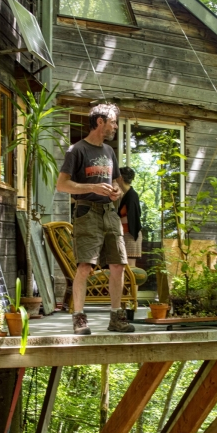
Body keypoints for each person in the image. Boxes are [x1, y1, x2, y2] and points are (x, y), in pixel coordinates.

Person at [56, 104, 135, 335]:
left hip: (109, 213)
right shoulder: (76, 150)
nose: (114, 126)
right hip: (86, 212)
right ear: (99, 121)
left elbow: (118, 185)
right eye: (112, 122)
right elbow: (62, 185)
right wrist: (92, 187)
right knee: (84, 267)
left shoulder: (109, 151)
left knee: (118, 265)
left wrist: (116, 192)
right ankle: (79, 318)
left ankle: (116, 318)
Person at [118, 166, 142, 267]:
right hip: (125, 234)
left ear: (121, 178)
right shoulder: (126, 195)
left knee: (130, 269)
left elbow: (132, 216)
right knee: (124, 268)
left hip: (131, 234)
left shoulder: (132, 195)